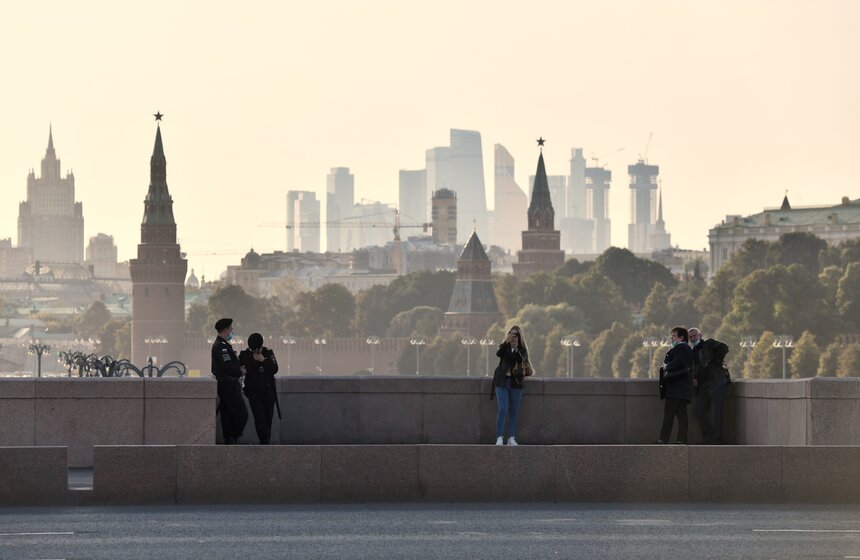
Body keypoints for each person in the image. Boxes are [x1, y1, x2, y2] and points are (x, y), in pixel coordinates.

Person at [490, 325, 532, 446]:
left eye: (516, 335)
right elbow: (499, 354)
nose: (513, 337)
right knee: (503, 409)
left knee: (514, 411)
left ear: (519, 337)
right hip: (502, 381)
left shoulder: (522, 350)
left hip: (516, 383)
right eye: (511, 334)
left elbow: (520, 362)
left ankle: (511, 438)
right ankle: (499, 437)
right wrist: (506, 343)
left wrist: (516, 349)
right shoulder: (504, 347)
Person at [689, 327, 730, 444]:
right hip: (704, 385)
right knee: (698, 410)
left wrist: (716, 361)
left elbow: (724, 347)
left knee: (715, 410)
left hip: (716, 381)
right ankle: (708, 436)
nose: (692, 338)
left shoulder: (708, 344)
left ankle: (715, 439)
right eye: (690, 337)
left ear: (700, 336)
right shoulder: (692, 352)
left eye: (694, 336)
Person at [211, 318, 248, 445]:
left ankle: (230, 438)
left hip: (228, 384)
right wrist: (240, 371)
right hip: (228, 384)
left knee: (227, 412)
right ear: (226, 330)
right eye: (231, 328)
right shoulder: (221, 347)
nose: (232, 331)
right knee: (241, 413)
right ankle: (232, 436)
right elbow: (227, 366)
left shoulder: (224, 345)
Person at [239, 333, 280, 445]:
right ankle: (264, 441)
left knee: (268, 418)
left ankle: (265, 442)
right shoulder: (244, 355)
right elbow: (237, 368)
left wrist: (263, 360)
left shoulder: (268, 352)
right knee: (259, 417)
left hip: (268, 392)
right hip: (253, 392)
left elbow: (274, 368)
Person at [658, 326, 694, 444]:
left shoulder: (679, 348)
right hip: (684, 390)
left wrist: (666, 366)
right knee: (682, 416)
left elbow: (678, 361)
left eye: (674, 336)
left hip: (674, 388)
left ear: (681, 337)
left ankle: (663, 439)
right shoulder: (689, 349)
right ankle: (681, 439)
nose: (672, 338)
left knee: (669, 415)